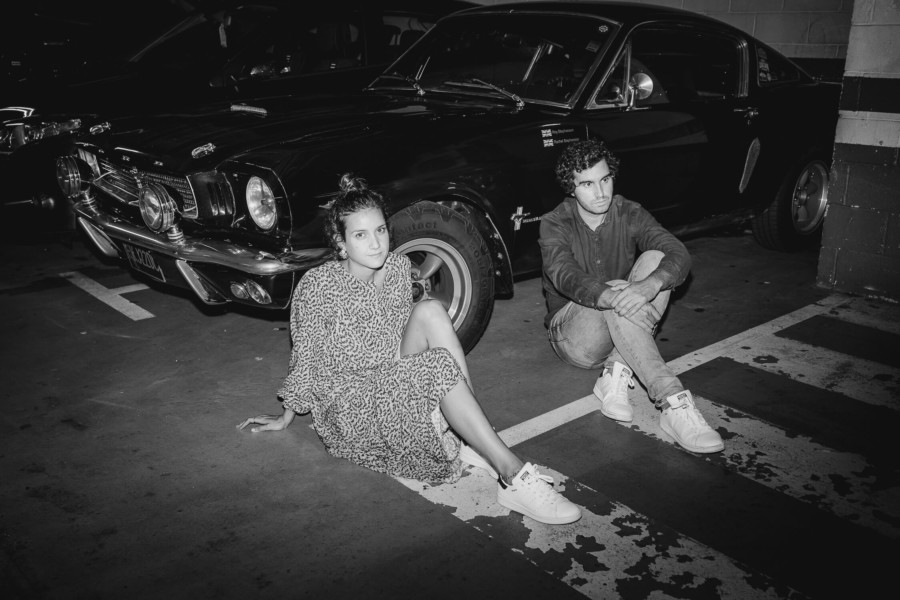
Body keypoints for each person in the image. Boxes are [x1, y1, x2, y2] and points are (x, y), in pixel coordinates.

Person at [238, 173, 581, 525]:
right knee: (434, 364)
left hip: (392, 376)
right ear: (341, 244)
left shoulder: (400, 268)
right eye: (360, 235)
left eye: (381, 230)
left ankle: (469, 438)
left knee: (431, 310)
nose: (375, 244)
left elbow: (407, 339)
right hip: (351, 401)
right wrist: (287, 415)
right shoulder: (318, 286)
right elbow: (306, 358)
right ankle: (512, 475)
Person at [539, 139, 724, 454]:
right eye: (587, 184)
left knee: (656, 261)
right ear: (571, 188)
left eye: (605, 179)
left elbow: (678, 252)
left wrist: (649, 286)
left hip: (622, 323)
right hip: (573, 335)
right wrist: (614, 295)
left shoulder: (629, 212)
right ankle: (673, 401)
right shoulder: (554, 223)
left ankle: (616, 371)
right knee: (615, 287)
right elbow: (564, 275)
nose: (600, 192)